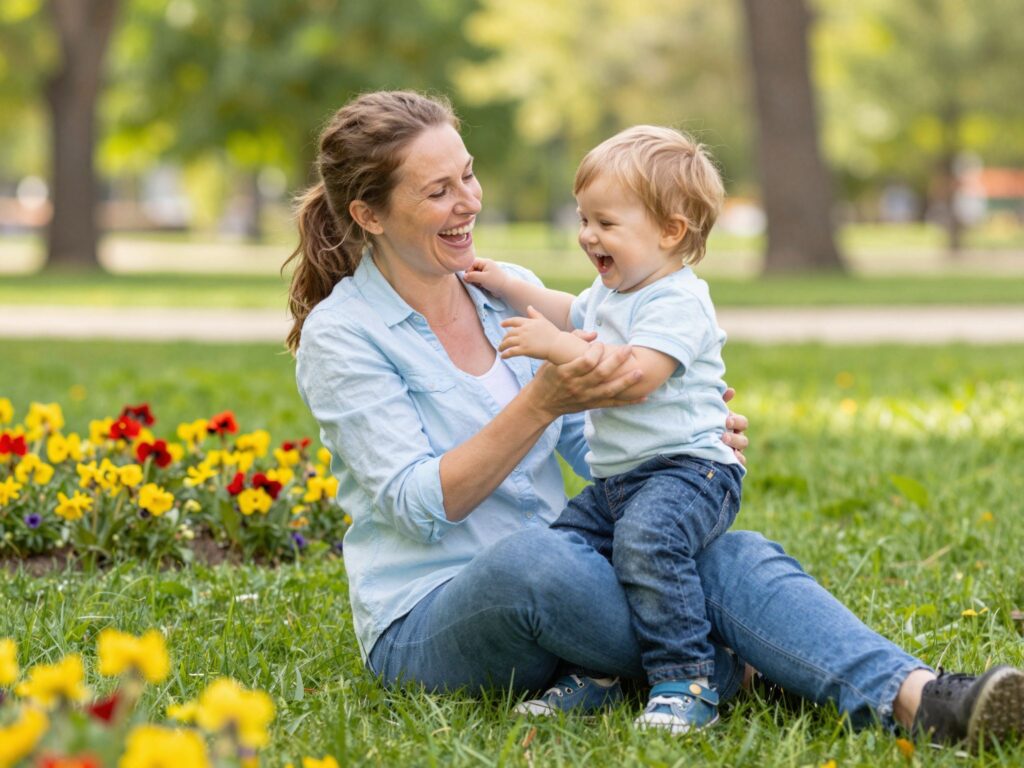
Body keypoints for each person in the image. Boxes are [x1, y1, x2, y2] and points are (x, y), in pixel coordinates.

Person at [286, 90, 1024, 752]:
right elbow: (422, 507)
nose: (468, 201)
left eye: (469, 174)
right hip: (437, 615)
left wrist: (674, 431)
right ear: (369, 214)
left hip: (574, 572)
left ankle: (924, 700)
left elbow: (590, 435)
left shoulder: (501, 296)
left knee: (723, 553)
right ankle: (737, 661)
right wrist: (539, 399)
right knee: (537, 563)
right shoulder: (345, 335)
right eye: (438, 190)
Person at [463, 125, 742, 733]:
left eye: (606, 224)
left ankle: (685, 679)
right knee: (569, 551)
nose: (589, 235)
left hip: (687, 472)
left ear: (671, 231)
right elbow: (573, 311)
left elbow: (634, 377)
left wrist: (557, 348)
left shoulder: (677, 302)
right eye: (584, 219)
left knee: (648, 544)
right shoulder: (613, 291)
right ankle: (596, 672)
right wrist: (509, 287)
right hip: (622, 480)